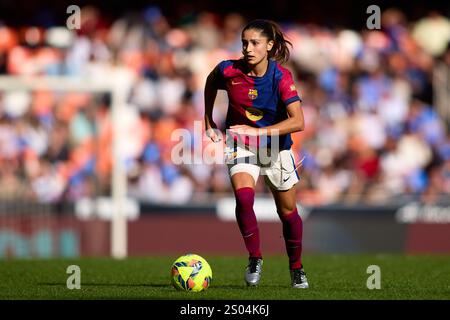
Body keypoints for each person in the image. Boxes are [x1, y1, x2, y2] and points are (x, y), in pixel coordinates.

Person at [204, 19, 308, 288]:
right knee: (244, 197)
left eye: (254, 43)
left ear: (270, 45)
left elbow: (298, 121)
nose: (247, 48)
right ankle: (255, 258)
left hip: (276, 147)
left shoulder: (281, 77)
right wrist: (208, 120)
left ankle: (296, 267)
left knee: (287, 212)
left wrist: (259, 133)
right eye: (244, 43)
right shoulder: (228, 70)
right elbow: (210, 81)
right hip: (241, 145)